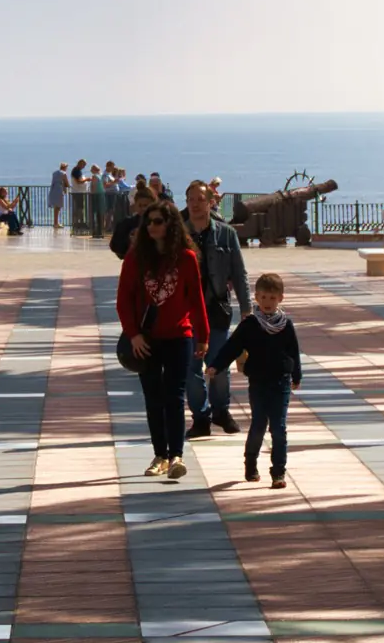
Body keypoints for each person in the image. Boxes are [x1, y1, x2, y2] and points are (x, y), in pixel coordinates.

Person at [118, 198, 207, 482]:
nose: (153, 226)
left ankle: (176, 456)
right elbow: (124, 300)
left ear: (171, 224)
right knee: (153, 398)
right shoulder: (135, 257)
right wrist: (133, 334)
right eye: (149, 222)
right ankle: (160, 454)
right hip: (146, 340)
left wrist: (203, 337)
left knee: (174, 396)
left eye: (159, 221)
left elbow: (196, 300)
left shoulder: (186, 257)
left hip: (180, 337)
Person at [208, 270, 301, 486]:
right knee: (259, 424)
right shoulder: (250, 324)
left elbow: (293, 351)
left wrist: (297, 374)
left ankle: (278, 471)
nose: (268, 302)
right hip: (258, 382)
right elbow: (232, 347)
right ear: (256, 298)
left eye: (272, 297)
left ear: (280, 298)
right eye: (263, 297)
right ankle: (250, 463)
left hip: (281, 382)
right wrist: (216, 365)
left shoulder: (286, 325)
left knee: (278, 427)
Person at [183, 180, 250, 438]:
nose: (195, 204)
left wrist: (247, 309)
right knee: (192, 366)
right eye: (191, 199)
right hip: (187, 312)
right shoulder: (179, 234)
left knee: (219, 364)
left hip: (217, 308)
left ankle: (221, 411)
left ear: (211, 202)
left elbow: (239, 273)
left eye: (200, 199)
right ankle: (200, 417)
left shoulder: (226, 234)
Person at [49, 163, 68, 231]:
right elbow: (67, 183)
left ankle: (55, 222)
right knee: (58, 207)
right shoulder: (64, 173)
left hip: (53, 189)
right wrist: (67, 187)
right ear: (65, 167)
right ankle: (56, 223)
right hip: (59, 190)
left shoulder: (55, 173)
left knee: (56, 207)